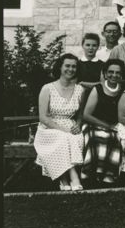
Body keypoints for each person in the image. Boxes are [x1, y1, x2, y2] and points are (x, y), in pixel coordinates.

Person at [33, 54, 86, 191]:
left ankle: (64, 182)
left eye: (74, 66)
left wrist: (78, 125)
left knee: (76, 138)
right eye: (67, 66)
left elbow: (80, 115)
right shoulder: (47, 88)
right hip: (48, 128)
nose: (71, 69)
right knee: (64, 138)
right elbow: (43, 118)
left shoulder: (80, 90)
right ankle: (73, 178)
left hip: (70, 125)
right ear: (60, 67)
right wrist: (63, 130)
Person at [81, 59, 125, 186]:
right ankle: (89, 173)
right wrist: (106, 126)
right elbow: (86, 115)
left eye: (118, 73)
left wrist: (112, 127)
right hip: (93, 123)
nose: (114, 75)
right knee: (95, 138)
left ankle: (108, 176)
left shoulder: (123, 90)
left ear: (121, 75)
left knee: (115, 139)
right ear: (105, 74)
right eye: (110, 72)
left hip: (115, 126)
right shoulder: (98, 89)